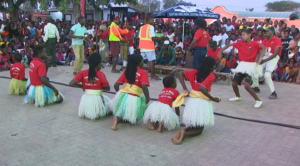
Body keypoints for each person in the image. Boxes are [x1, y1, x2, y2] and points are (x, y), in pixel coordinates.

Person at [171, 57, 221, 145]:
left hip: (193, 101)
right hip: (202, 102)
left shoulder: (195, 72)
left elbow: (180, 73)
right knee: (200, 129)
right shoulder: (211, 76)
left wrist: (185, 88)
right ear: (211, 67)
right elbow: (202, 88)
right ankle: (185, 134)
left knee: (196, 124)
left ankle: (182, 131)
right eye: (214, 66)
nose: (214, 68)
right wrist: (213, 99)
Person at [220, 29, 266, 108]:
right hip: (242, 65)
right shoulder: (240, 43)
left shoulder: (255, 43)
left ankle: (258, 100)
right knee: (234, 83)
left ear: (249, 35)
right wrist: (220, 51)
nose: (242, 36)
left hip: (251, 66)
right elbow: (229, 45)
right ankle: (238, 96)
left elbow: (263, 47)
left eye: (244, 35)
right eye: (242, 35)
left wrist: (260, 57)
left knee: (247, 86)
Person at [110, 54, 150, 130]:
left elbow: (116, 85)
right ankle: (119, 119)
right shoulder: (143, 72)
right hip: (134, 97)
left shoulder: (127, 71)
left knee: (123, 112)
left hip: (122, 94)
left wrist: (120, 94)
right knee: (134, 118)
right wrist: (147, 98)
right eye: (142, 62)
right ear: (138, 63)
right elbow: (144, 86)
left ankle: (116, 121)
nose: (143, 63)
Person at [69, 53, 111, 120]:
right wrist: (98, 87)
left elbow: (71, 83)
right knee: (110, 107)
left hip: (86, 99)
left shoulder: (83, 72)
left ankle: (88, 112)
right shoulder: (100, 74)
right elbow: (108, 88)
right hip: (97, 99)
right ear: (97, 64)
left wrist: (82, 86)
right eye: (101, 63)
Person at [252, 27, 282, 99]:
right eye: (265, 31)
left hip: (274, 57)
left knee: (267, 75)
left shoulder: (277, 40)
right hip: (266, 56)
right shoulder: (265, 40)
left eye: (267, 31)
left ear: (272, 31)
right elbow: (261, 51)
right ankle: (256, 87)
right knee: (254, 70)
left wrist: (263, 60)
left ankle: (273, 93)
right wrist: (258, 60)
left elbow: (275, 54)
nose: (265, 32)